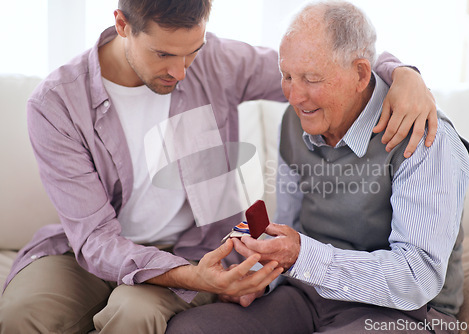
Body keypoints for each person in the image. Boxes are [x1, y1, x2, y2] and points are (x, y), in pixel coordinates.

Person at [0, 0, 438, 333]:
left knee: (133, 313)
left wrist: (404, 75)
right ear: (121, 26)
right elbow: (95, 241)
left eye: (192, 51)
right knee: (22, 313)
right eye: (163, 55)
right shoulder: (56, 103)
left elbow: (322, 67)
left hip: (194, 247)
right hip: (85, 253)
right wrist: (196, 278)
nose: (182, 71)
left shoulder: (216, 62)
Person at [164, 1, 469, 334]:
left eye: (311, 78)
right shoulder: (295, 121)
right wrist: (260, 278)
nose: (294, 96)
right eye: (286, 76)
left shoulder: (422, 137)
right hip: (308, 296)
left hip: (405, 313)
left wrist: (300, 257)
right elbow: (292, 226)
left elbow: (417, 278)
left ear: (360, 74)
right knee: (190, 329)